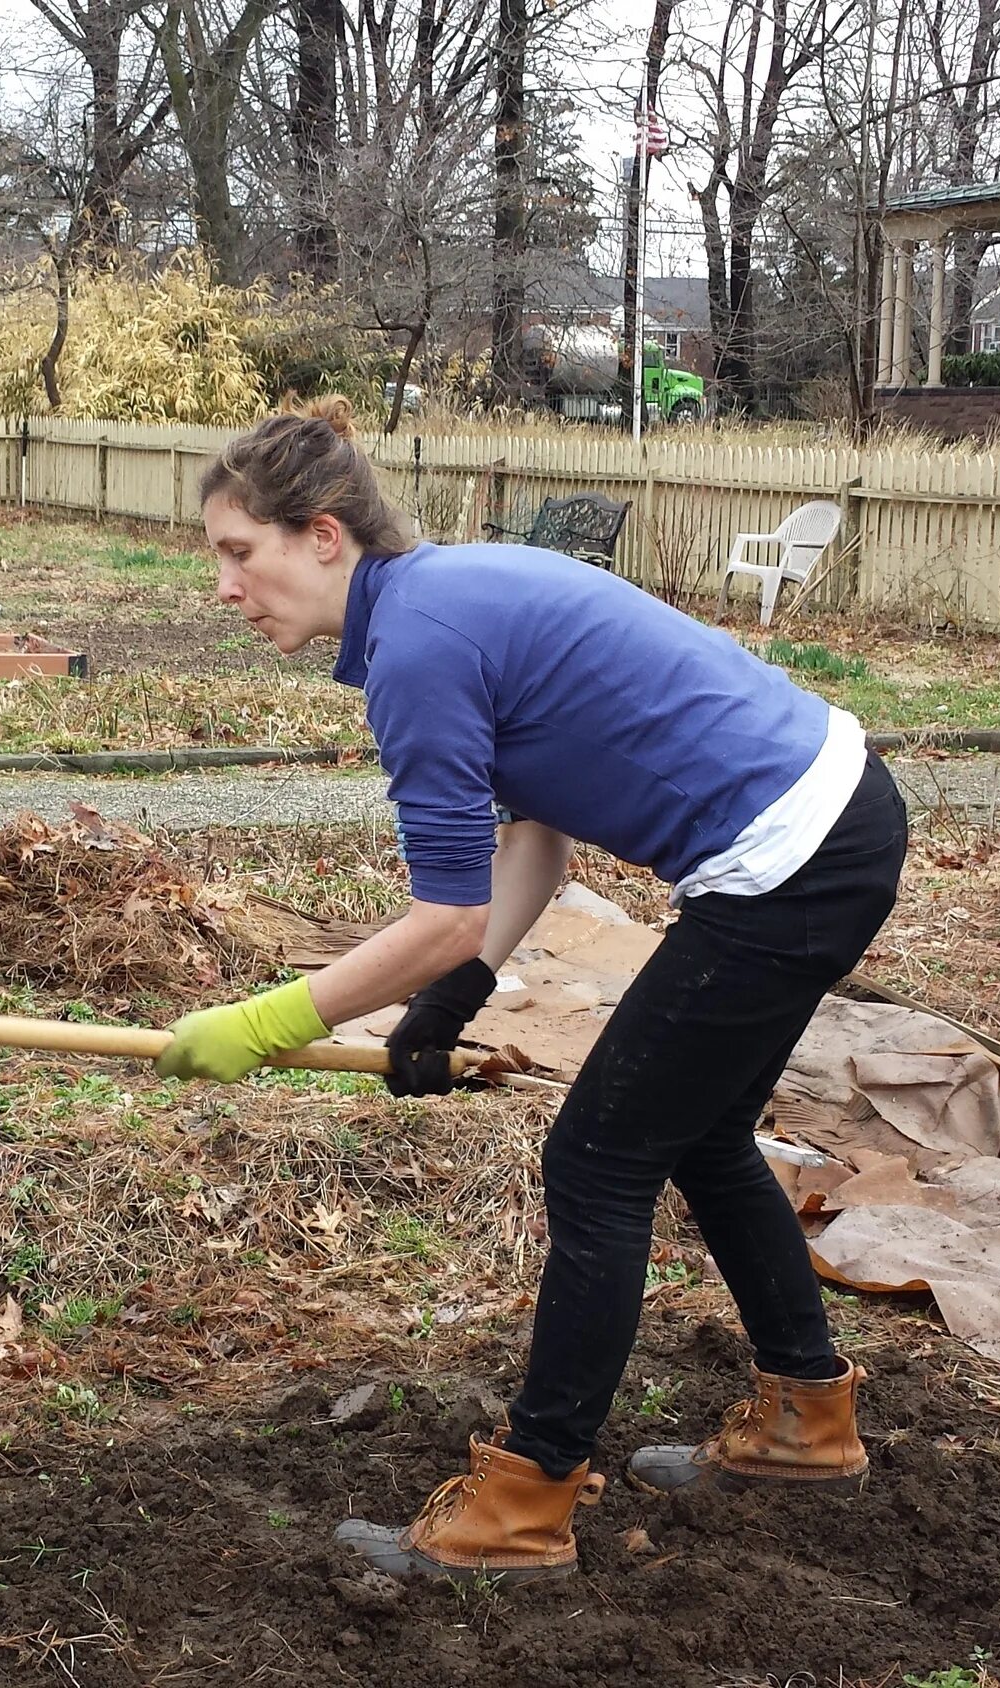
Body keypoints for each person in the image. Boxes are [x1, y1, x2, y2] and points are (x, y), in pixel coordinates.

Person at [156, 398, 907, 1585]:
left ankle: (523, 1501)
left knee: (597, 1161)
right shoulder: (441, 598)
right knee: (701, 1133)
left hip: (789, 861)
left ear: (322, 537)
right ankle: (806, 1421)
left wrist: (266, 1021)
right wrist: (452, 995)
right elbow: (539, 839)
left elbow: (443, 908)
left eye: (237, 552)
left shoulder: (419, 646)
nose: (224, 586)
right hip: (835, 824)